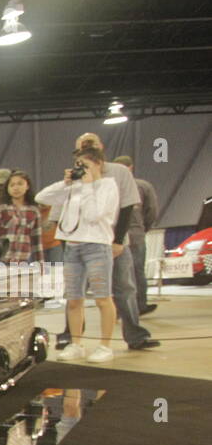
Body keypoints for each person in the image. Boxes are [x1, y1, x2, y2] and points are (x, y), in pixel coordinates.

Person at [52, 133, 158, 351]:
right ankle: (71, 337)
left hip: (112, 242)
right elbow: (58, 214)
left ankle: (134, 334)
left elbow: (128, 206)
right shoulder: (73, 176)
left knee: (124, 289)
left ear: (101, 149)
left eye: (91, 145)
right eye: (82, 146)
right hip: (78, 246)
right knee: (74, 295)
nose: (87, 149)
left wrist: (118, 241)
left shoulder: (118, 172)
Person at [35, 146, 119, 363]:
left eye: (85, 165)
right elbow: (41, 196)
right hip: (72, 247)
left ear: (99, 164)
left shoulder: (108, 185)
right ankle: (76, 343)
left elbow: (94, 215)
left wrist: (90, 185)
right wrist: (66, 183)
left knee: (102, 298)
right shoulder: (74, 187)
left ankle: (105, 346)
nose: (81, 169)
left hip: (96, 246)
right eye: (78, 165)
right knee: (73, 300)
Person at [114, 155, 160, 314]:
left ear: (130, 168)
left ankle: (131, 307)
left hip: (130, 235)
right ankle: (136, 306)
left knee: (127, 273)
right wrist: (143, 228)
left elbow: (151, 211)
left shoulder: (141, 186)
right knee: (130, 272)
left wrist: (142, 228)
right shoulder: (140, 186)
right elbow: (151, 211)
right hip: (128, 236)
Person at [0, 169, 43, 264]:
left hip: (24, 260)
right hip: (1, 260)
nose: (16, 188)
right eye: (12, 185)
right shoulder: (1, 210)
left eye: (20, 184)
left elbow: (37, 240)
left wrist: (40, 262)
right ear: (7, 188)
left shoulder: (34, 211)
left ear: (27, 186)